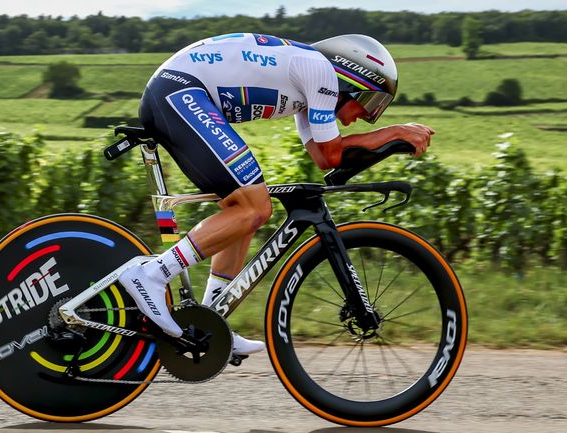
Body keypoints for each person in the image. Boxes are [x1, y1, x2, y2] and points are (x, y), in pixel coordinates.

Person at [118, 33, 434, 356]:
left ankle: (210, 318)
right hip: (179, 92)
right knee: (255, 207)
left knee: (244, 211)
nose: (364, 116)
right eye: (369, 102)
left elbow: (326, 161)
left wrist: (390, 143)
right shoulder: (321, 72)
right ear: (350, 78)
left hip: (180, 93)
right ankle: (152, 274)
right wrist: (395, 131)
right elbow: (334, 152)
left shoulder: (308, 89)